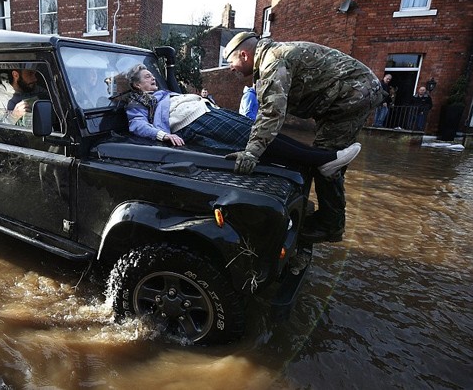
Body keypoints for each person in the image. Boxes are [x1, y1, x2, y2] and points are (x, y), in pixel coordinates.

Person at [223, 32, 383, 244]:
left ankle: (330, 226)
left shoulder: (272, 61)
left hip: (353, 94)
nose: (230, 68)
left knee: (327, 163)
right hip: (346, 94)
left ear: (244, 55)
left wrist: (251, 153)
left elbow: (272, 113)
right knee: (322, 157)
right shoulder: (270, 58)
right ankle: (323, 216)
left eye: (230, 62)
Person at [126, 64, 361, 177]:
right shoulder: (139, 100)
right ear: (137, 85)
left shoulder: (163, 93)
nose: (152, 78)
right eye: (147, 77)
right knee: (253, 139)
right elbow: (136, 125)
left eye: (152, 75)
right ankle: (324, 160)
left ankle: (318, 160)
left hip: (208, 112)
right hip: (195, 122)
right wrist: (163, 135)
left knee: (262, 132)